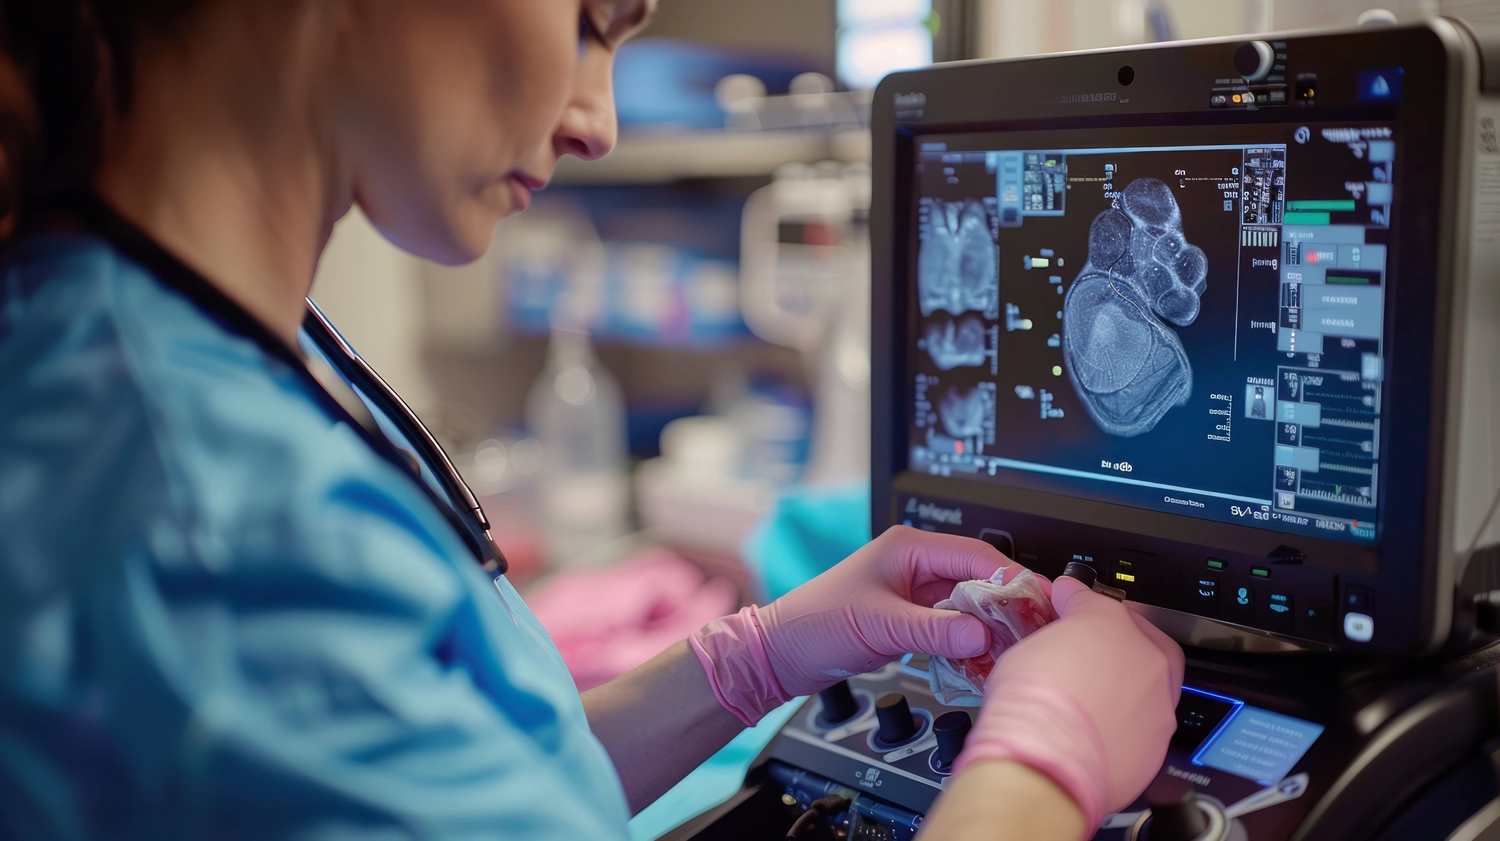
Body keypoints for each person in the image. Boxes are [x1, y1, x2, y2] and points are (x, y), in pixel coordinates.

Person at [0, 2, 1184, 839]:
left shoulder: (213, 340)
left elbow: (472, 795)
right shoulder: (201, 519)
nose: (597, 121)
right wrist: (1038, 771)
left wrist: (749, 662)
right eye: (592, 18)